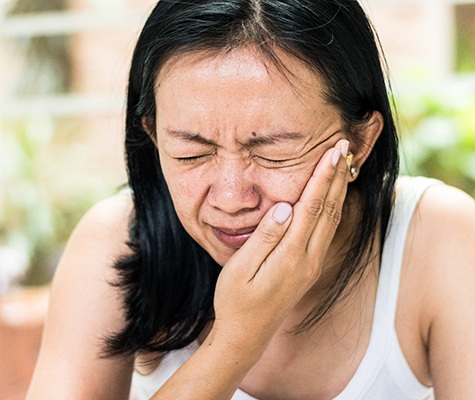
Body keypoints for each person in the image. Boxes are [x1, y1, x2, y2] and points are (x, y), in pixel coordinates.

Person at [26, 1, 475, 399]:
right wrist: (237, 339)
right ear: (152, 136)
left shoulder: (438, 238)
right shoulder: (115, 242)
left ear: (359, 140)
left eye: (273, 152)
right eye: (191, 152)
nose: (231, 197)